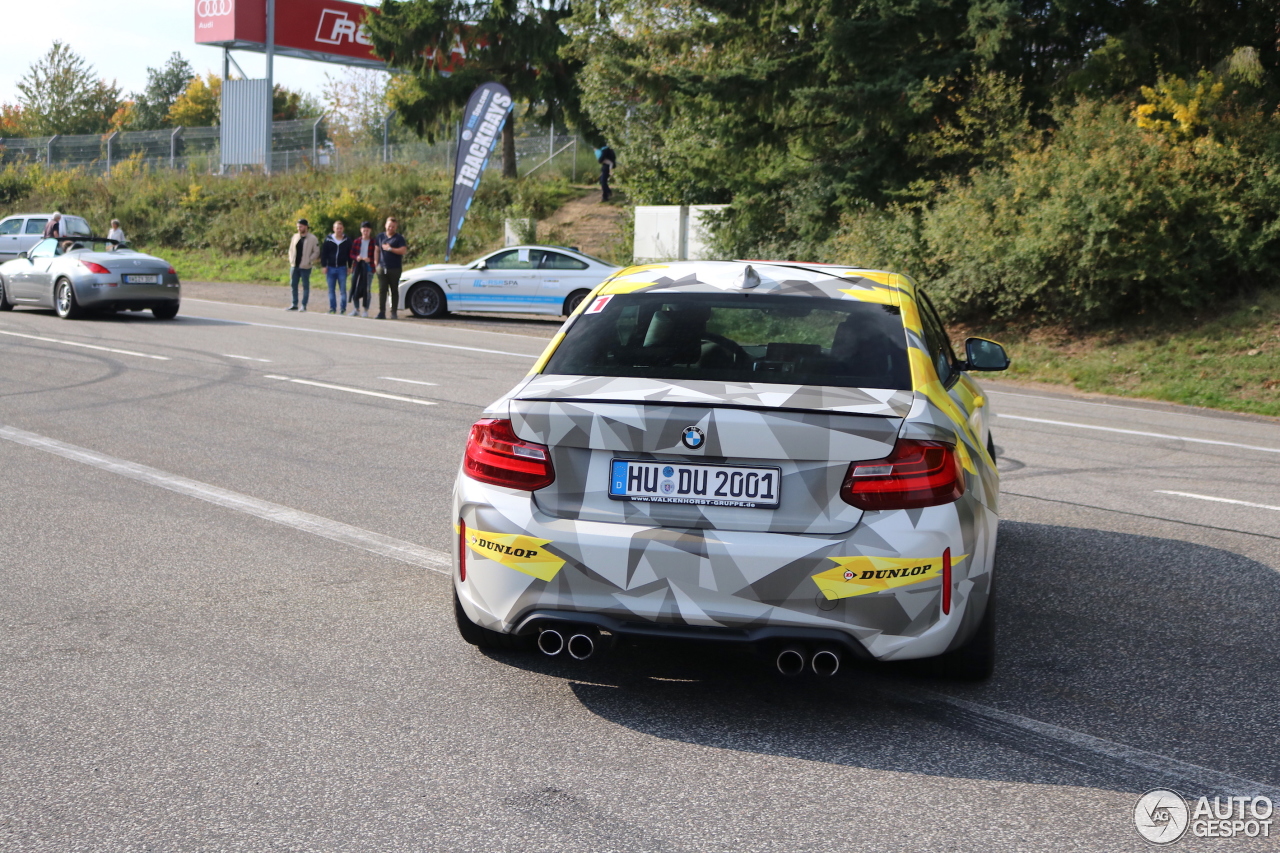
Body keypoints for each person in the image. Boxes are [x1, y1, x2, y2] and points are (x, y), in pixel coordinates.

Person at [375, 217, 407, 320]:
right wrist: (376, 263)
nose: (390, 228)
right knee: (382, 290)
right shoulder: (380, 237)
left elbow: (403, 251)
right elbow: (376, 250)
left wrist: (390, 249)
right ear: (385, 225)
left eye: (393, 226)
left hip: (395, 268)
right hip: (381, 267)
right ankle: (381, 312)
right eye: (389, 226)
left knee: (394, 290)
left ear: (396, 227)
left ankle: (393, 312)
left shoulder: (399, 238)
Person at [286, 218, 321, 312]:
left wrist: (309, 260)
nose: (299, 228)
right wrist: (291, 260)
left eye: (300, 226)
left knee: (305, 286)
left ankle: (304, 305)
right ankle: (294, 304)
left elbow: (316, 251)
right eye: (298, 226)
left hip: (305, 267)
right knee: (293, 285)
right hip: (294, 266)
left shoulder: (313, 238)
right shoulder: (295, 237)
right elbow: (291, 250)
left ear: (306, 227)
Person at [320, 220, 352, 314]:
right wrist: (324, 265)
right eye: (337, 228)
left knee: (343, 289)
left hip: (342, 268)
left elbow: (349, 254)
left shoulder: (347, 240)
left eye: (340, 228)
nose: (339, 230)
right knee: (331, 290)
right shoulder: (328, 239)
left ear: (343, 229)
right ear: (334, 229)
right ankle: (332, 308)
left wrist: (349, 266)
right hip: (330, 267)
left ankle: (343, 309)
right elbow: (324, 253)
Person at [349, 222, 378, 318]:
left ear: (370, 231)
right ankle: (356, 309)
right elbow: (351, 253)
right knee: (355, 287)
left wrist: (371, 260)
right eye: (364, 230)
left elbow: (377, 254)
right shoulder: (356, 241)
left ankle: (366, 309)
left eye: (367, 230)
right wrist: (356, 257)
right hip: (357, 267)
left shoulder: (374, 242)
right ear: (361, 230)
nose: (365, 232)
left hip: (368, 267)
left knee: (367, 289)